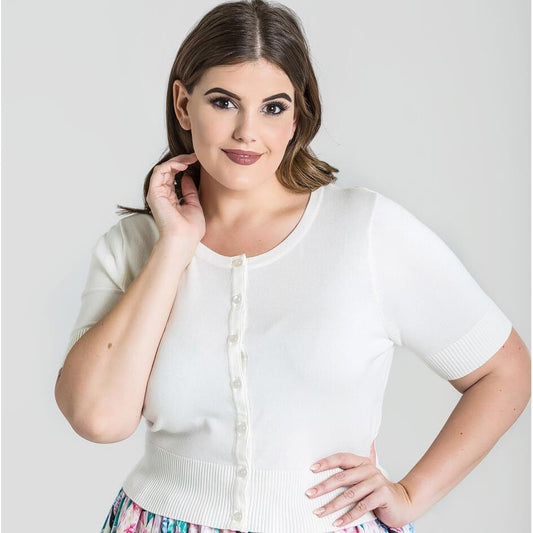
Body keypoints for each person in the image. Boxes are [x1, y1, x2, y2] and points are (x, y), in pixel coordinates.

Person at [54, 1, 531, 532]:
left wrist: (411, 494)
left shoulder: (365, 232)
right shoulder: (134, 246)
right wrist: (174, 247)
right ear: (184, 105)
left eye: (273, 108)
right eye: (224, 102)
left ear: (298, 117)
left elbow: (503, 371)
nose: (247, 131)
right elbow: (98, 418)